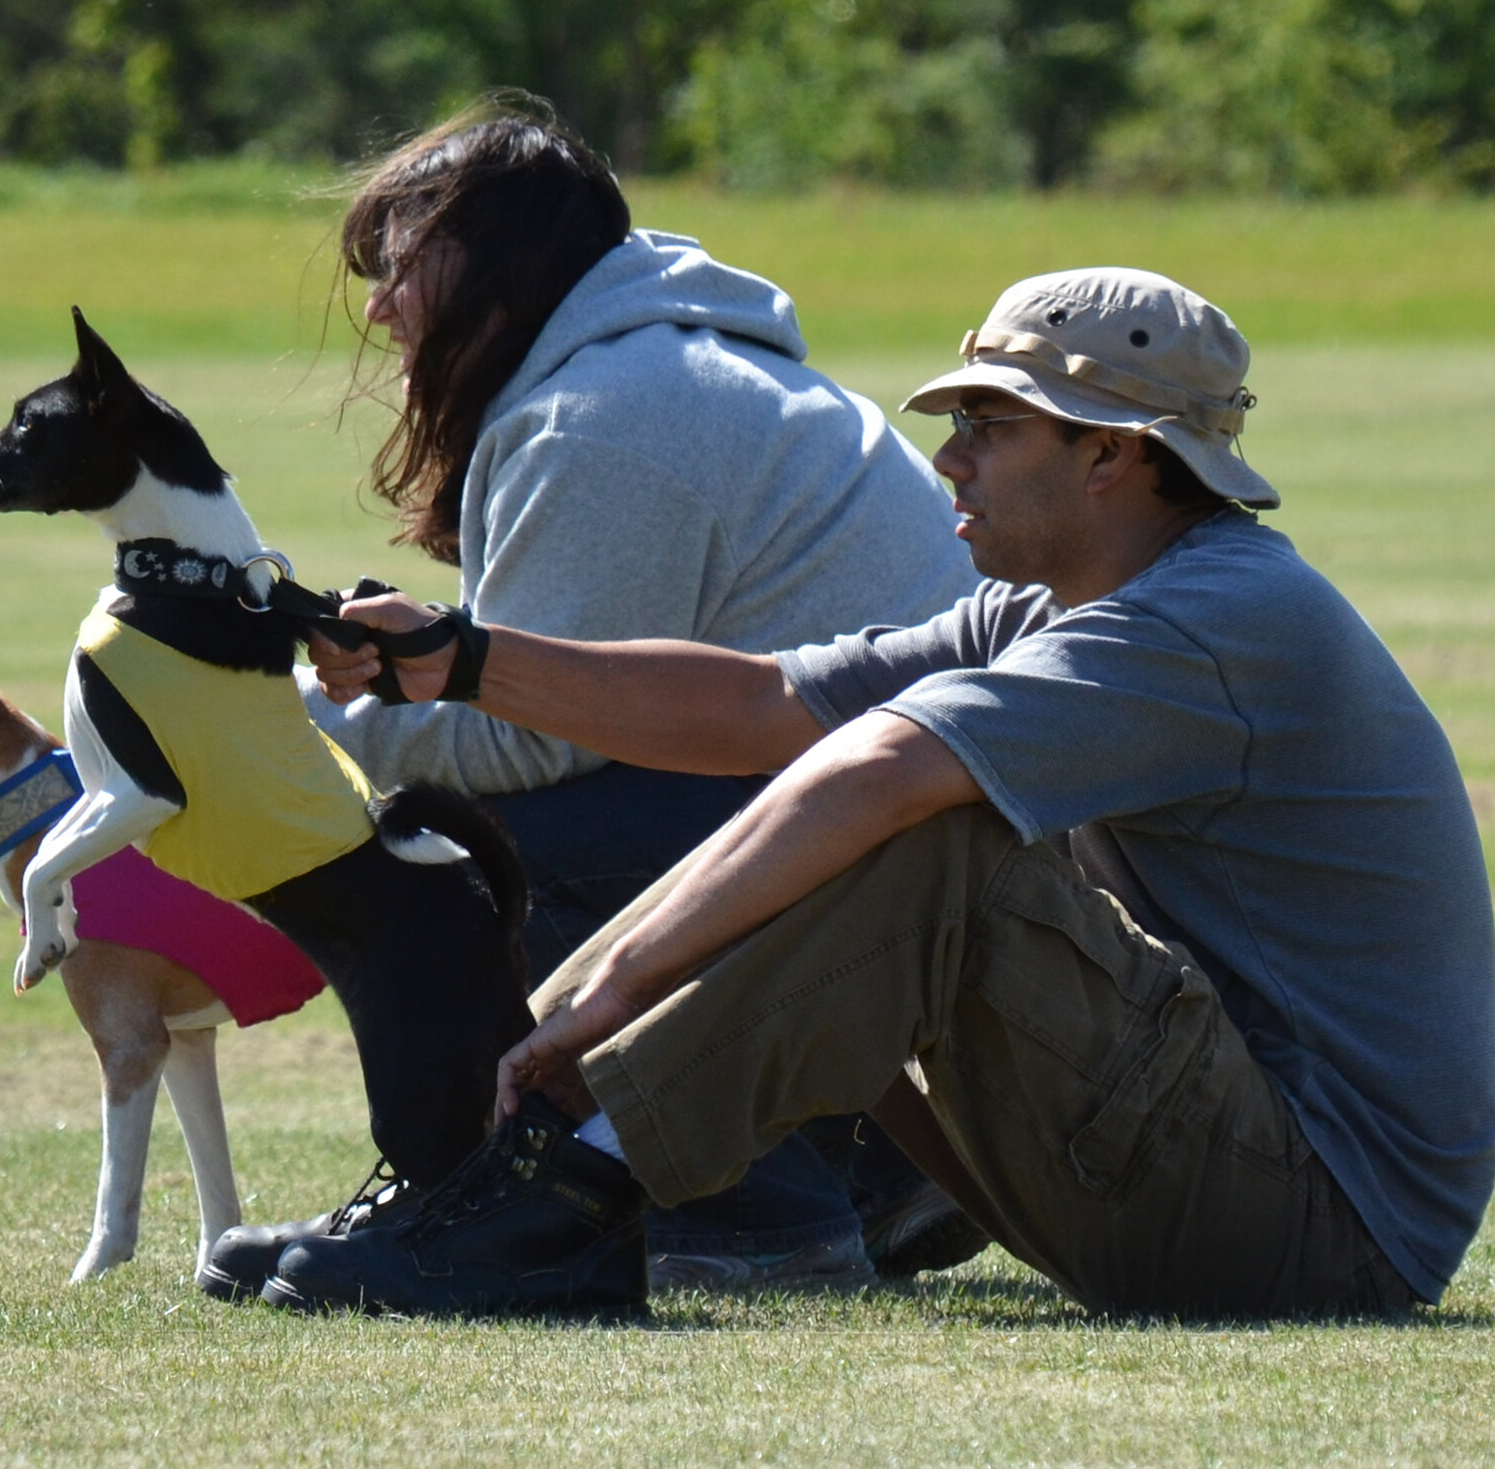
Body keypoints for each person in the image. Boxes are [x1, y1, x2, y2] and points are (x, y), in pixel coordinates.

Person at [270, 266, 1495, 1319]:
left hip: (1319, 1229)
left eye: (990, 424)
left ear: (1113, 457)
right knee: (871, 791)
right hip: (1217, 1171)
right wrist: (466, 659)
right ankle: (500, 1179)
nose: (946, 455)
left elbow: (877, 767)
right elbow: (760, 705)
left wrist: (597, 992)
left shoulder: (1217, 616)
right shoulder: (1054, 603)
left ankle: (551, 1191)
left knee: (922, 821)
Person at [207, 102, 984, 1292]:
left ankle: (748, 1211)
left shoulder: (608, 417)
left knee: (465, 841)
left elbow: (531, 745)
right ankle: (875, 1165)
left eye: (399, 263)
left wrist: (280, 733)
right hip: (930, 843)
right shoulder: (649, 366)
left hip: (923, 860)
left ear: (493, 262)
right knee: (572, 808)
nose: (376, 306)